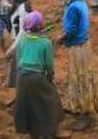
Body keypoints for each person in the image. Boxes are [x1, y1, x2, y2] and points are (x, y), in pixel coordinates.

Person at [14, 11, 63, 139]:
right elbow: (49, 66)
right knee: (50, 101)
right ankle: (48, 132)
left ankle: (32, 132)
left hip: (22, 78)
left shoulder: (22, 41)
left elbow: (18, 60)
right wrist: (50, 78)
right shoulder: (45, 43)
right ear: (40, 25)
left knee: (28, 105)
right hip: (37, 77)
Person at [56, 0, 96, 131]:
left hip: (77, 46)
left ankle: (84, 114)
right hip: (83, 44)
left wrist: (59, 39)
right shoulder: (80, 3)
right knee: (84, 76)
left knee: (79, 79)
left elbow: (71, 30)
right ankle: (80, 105)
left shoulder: (73, 7)